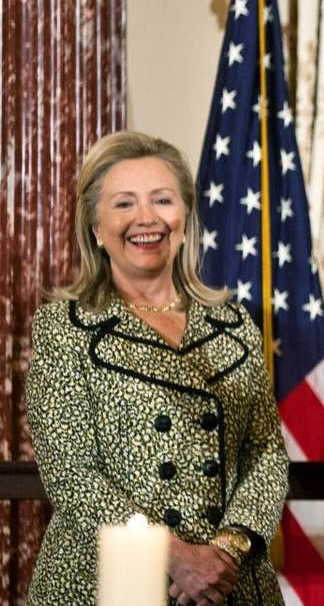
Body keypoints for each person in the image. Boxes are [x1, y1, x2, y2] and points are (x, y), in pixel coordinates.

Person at [25, 131, 290, 606]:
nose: (146, 219)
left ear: (185, 220)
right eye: (124, 204)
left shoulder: (233, 324)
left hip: (228, 584)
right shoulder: (63, 326)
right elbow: (71, 472)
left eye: (162, 200)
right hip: (109, 583)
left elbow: (266, 454)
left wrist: (225, 553)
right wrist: (175, 557)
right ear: (96, 229)